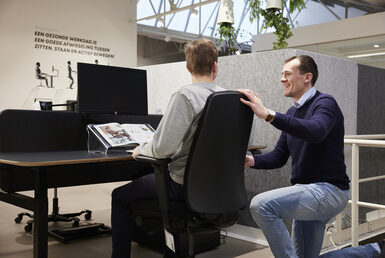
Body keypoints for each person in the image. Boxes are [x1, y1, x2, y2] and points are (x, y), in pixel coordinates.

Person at [238, 55, 384, 258]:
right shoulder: (292, 112)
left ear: (307, 77)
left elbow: (316, 131)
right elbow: (279, 156)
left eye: (287, 74)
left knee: (261, 205)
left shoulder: (325, 103)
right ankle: (374, 250)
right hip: (307, 193)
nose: (282, 79)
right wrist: (251, 160)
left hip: (330, 191)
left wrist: (269, 115)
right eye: (282, 74)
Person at [110, 38, 224, 258]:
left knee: (119, 196)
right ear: (215, 66)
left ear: (188, 67)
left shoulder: (186, 96)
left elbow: (163, 148)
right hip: (218, 186)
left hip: (181, 186)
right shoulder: (230, 98)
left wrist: (140, 150)